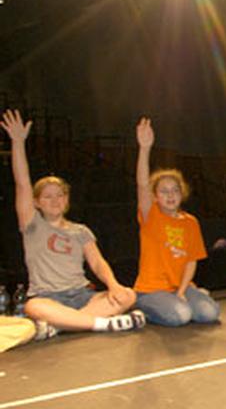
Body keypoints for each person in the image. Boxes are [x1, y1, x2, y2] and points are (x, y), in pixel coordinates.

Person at [2, 109, 143, 339]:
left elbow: (97, 263)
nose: (55, 200)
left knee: (127, 295)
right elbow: (22, 183)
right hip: (49, 297)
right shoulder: (32, 225)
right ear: (37, 203)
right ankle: (100, 324)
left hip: (82, 296)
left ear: (67, 200)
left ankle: (60, 326)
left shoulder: (81, 231)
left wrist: (114, 285)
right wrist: (18, 143)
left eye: (60, 195)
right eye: (47, 196)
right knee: (33, 308)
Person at [134, 117, 220, 327]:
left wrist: (182, 291)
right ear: (155, 197)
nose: (170, 195)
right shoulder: (151, 215)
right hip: (152, 289)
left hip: (180, 286)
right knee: (181, 316)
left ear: (182, 194)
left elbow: (191, 260)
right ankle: (142, 306)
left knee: (210, 313)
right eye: (164, 191)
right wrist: (144, 149)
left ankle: (183, 299)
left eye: (175, 190)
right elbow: (143, 184)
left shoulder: (190, 222)